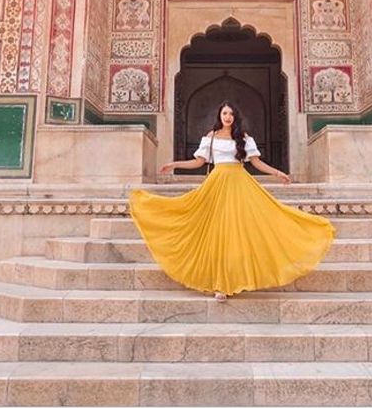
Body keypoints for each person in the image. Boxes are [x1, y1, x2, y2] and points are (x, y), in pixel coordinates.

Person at [128, 100, 336, 301]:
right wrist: (174, 164)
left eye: (231, 114)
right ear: (220, 115)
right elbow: (198, 162)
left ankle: (232, 281)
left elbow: (257, 163)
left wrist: (278, 173)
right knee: (218, 232)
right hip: (217, 184)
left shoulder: (243, 138)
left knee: (241, 230)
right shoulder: (210, 137)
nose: (228, 117)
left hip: (240, 184)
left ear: (235, 117)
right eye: (224, 113)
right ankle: (220, 285)